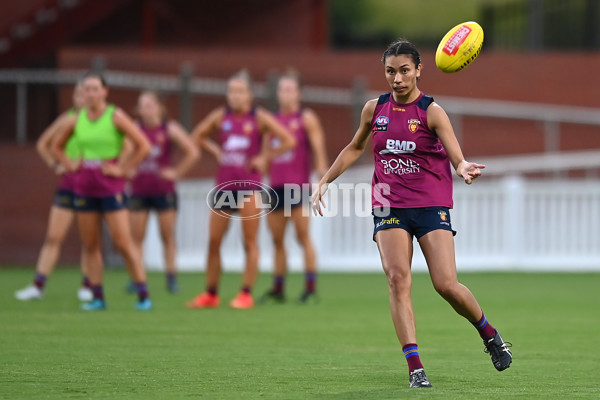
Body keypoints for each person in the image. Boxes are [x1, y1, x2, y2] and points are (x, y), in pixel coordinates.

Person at [311, 39, 512, 388]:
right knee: (397, 279)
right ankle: (415, 367)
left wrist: (463, 166)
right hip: (388, 204)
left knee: (446, 285)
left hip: (431, 204)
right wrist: (325, 179)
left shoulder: (432, 111)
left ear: (419, 70)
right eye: (391, 71)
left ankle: (490, 335)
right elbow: (355, 146)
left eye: (405, 70)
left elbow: (456, 154)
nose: (398, 78)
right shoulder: (374, 109)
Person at [187, 70, 296, 309]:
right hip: (224, 188)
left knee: (250, 242)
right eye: (231, 91)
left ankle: (245, 293)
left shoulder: (259, 117)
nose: (235, 96)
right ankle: (211, 293)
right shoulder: (220, 116)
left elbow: (288, 139)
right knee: (214, 241)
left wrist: (264, 156)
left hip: (249, 189)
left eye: (240, 91)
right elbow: (198, 135)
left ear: (249, 95)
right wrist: (216, 151)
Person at [52, 72, 153, 311]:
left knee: (123, 242)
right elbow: (57, 147)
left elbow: (143, 145)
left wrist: (123, 169)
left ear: (105, 92)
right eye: (86, 89)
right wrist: (71, 165)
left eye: (95, 88)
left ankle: (143, 293)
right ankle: (98, 297)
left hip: (111, 189)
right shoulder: (76, 120)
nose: (90, 93)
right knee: (90, 245)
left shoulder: (115, 116)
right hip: (84, 189)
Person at [15, 83, 97, 302]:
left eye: (87, 93)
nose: (82, 97)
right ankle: (38, 285)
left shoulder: (99, 121)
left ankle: (88, 284)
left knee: (89, 241)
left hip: (90, 186)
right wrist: (56, 165)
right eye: (79, 93)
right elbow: (44, 144)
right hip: (68, 185)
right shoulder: (67, 119)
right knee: (53, 237)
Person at [259, 71, 328, 304]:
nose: (285, 94)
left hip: (298, 187)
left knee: (302, 237)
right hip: (276, 187)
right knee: (277, 240)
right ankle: (278, 289)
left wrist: (322, 180)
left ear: (298, 93)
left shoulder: (306, 118)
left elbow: (318, 150)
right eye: (282, 89)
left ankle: (310, 288)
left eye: (290, 89)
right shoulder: (271, 122)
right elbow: (265, 155)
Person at [128, 90, 199, 293]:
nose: (146, 110)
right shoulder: (135, 129)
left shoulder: (169, 128)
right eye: (142, 105)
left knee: (167, 235)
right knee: (136, 237)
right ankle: (137, 278)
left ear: (159, 107)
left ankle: (171, 277)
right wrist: (127, 169)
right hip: (140, 189)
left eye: (150, 105)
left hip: (163, 190)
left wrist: (177, 172)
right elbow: (123, 151)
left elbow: (192, 152)